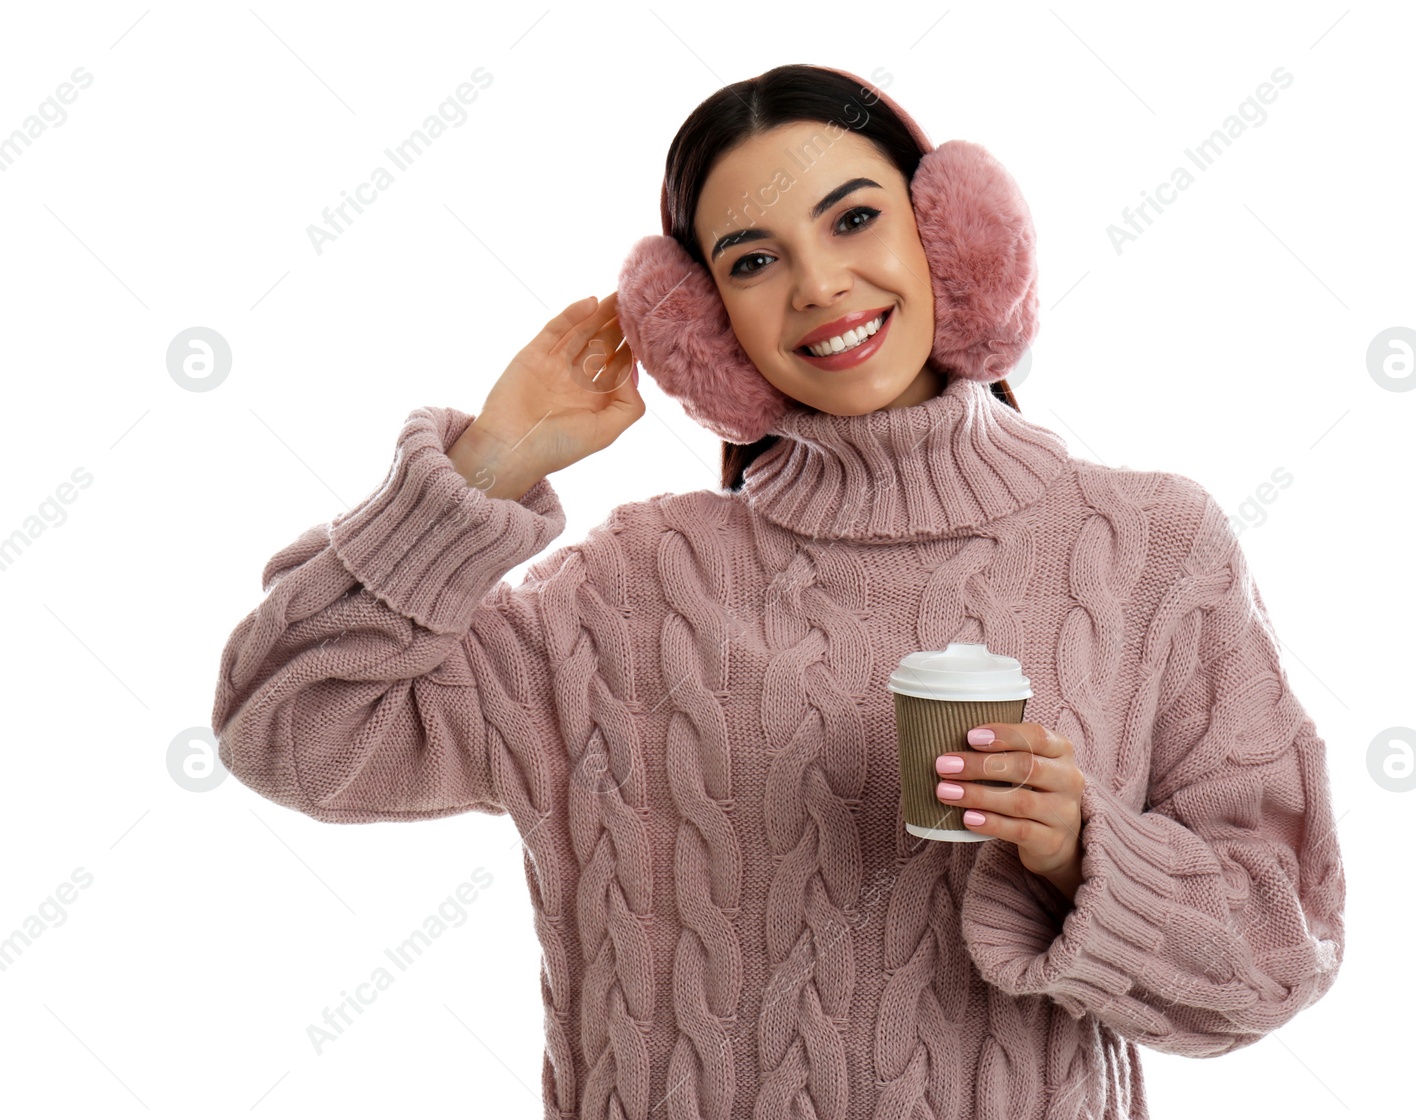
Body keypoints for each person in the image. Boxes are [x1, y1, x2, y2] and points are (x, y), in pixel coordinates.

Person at [212, 63, 1346, 1120]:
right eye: (752, 260)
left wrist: (1077, 849)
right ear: (705, 328)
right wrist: (493, 463)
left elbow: (1278, 949)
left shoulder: (1151, 545)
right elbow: (288, 725)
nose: (819, 285)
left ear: (952, 239)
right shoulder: (627, 590)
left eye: (854, 218)